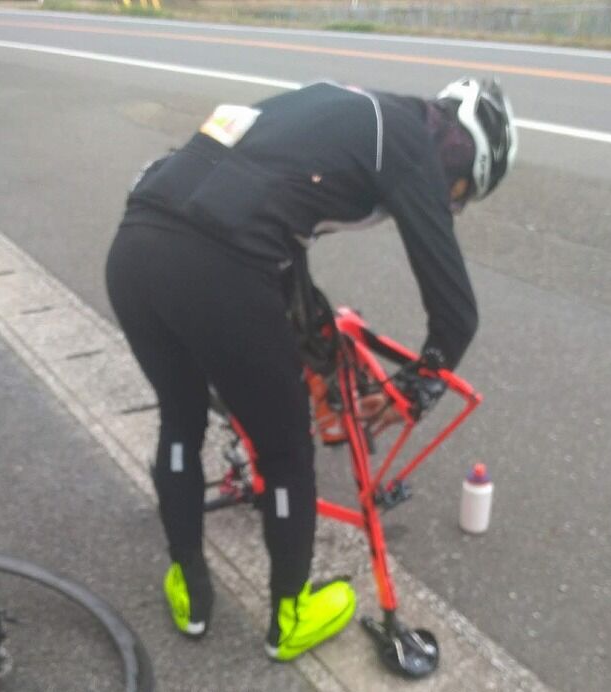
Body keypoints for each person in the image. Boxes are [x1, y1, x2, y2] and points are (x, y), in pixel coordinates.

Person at [104, 76, 517, 660]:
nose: (452, 199)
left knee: (179, 417)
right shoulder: (409, 142)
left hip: (135, 248)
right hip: (219, 267)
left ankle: (189, 588)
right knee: (286, 452)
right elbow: (456, 313)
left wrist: (312, 331)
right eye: (461, 187)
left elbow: (271, 219)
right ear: (462, 150)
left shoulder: (339, 102)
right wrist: (417, 385)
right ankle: (290, 617)